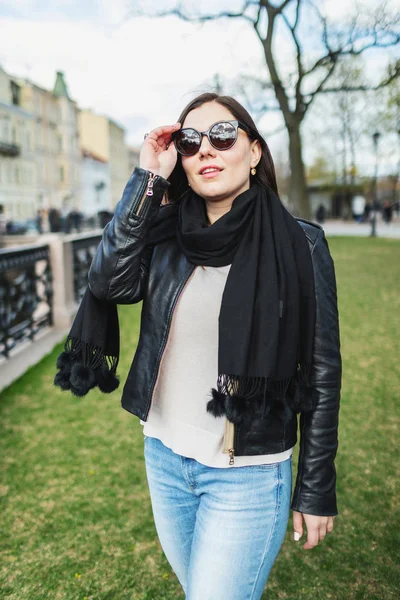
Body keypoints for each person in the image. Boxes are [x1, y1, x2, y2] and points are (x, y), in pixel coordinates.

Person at [56, 93, 341, 599]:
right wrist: (148, 179)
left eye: (223, 136)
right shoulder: (166, 235)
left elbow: (321, 370)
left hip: (246, 477)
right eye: (191, 141)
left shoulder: (302, 243)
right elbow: (108, 281)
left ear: (253, 151)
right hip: (165, 458)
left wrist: (315, 486)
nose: (206, 149)